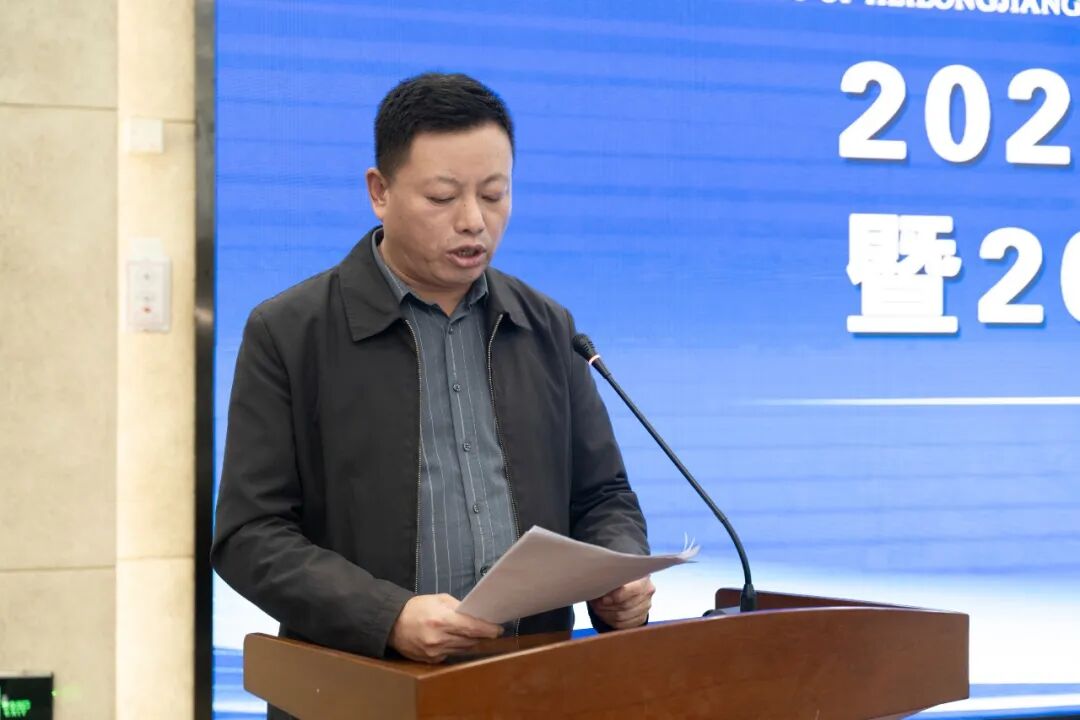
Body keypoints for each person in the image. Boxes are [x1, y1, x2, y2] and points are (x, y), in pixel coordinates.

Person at [211, 73, 653, 687]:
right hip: (363, 689)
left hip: (532, 681)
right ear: (379, 191)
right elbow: (249, 536)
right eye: (443, 198)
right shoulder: (291, 332)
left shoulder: (546, 326)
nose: (473, 221)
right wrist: (386, 616)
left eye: (494, 194)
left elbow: (604, 497)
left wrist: (619, 575)